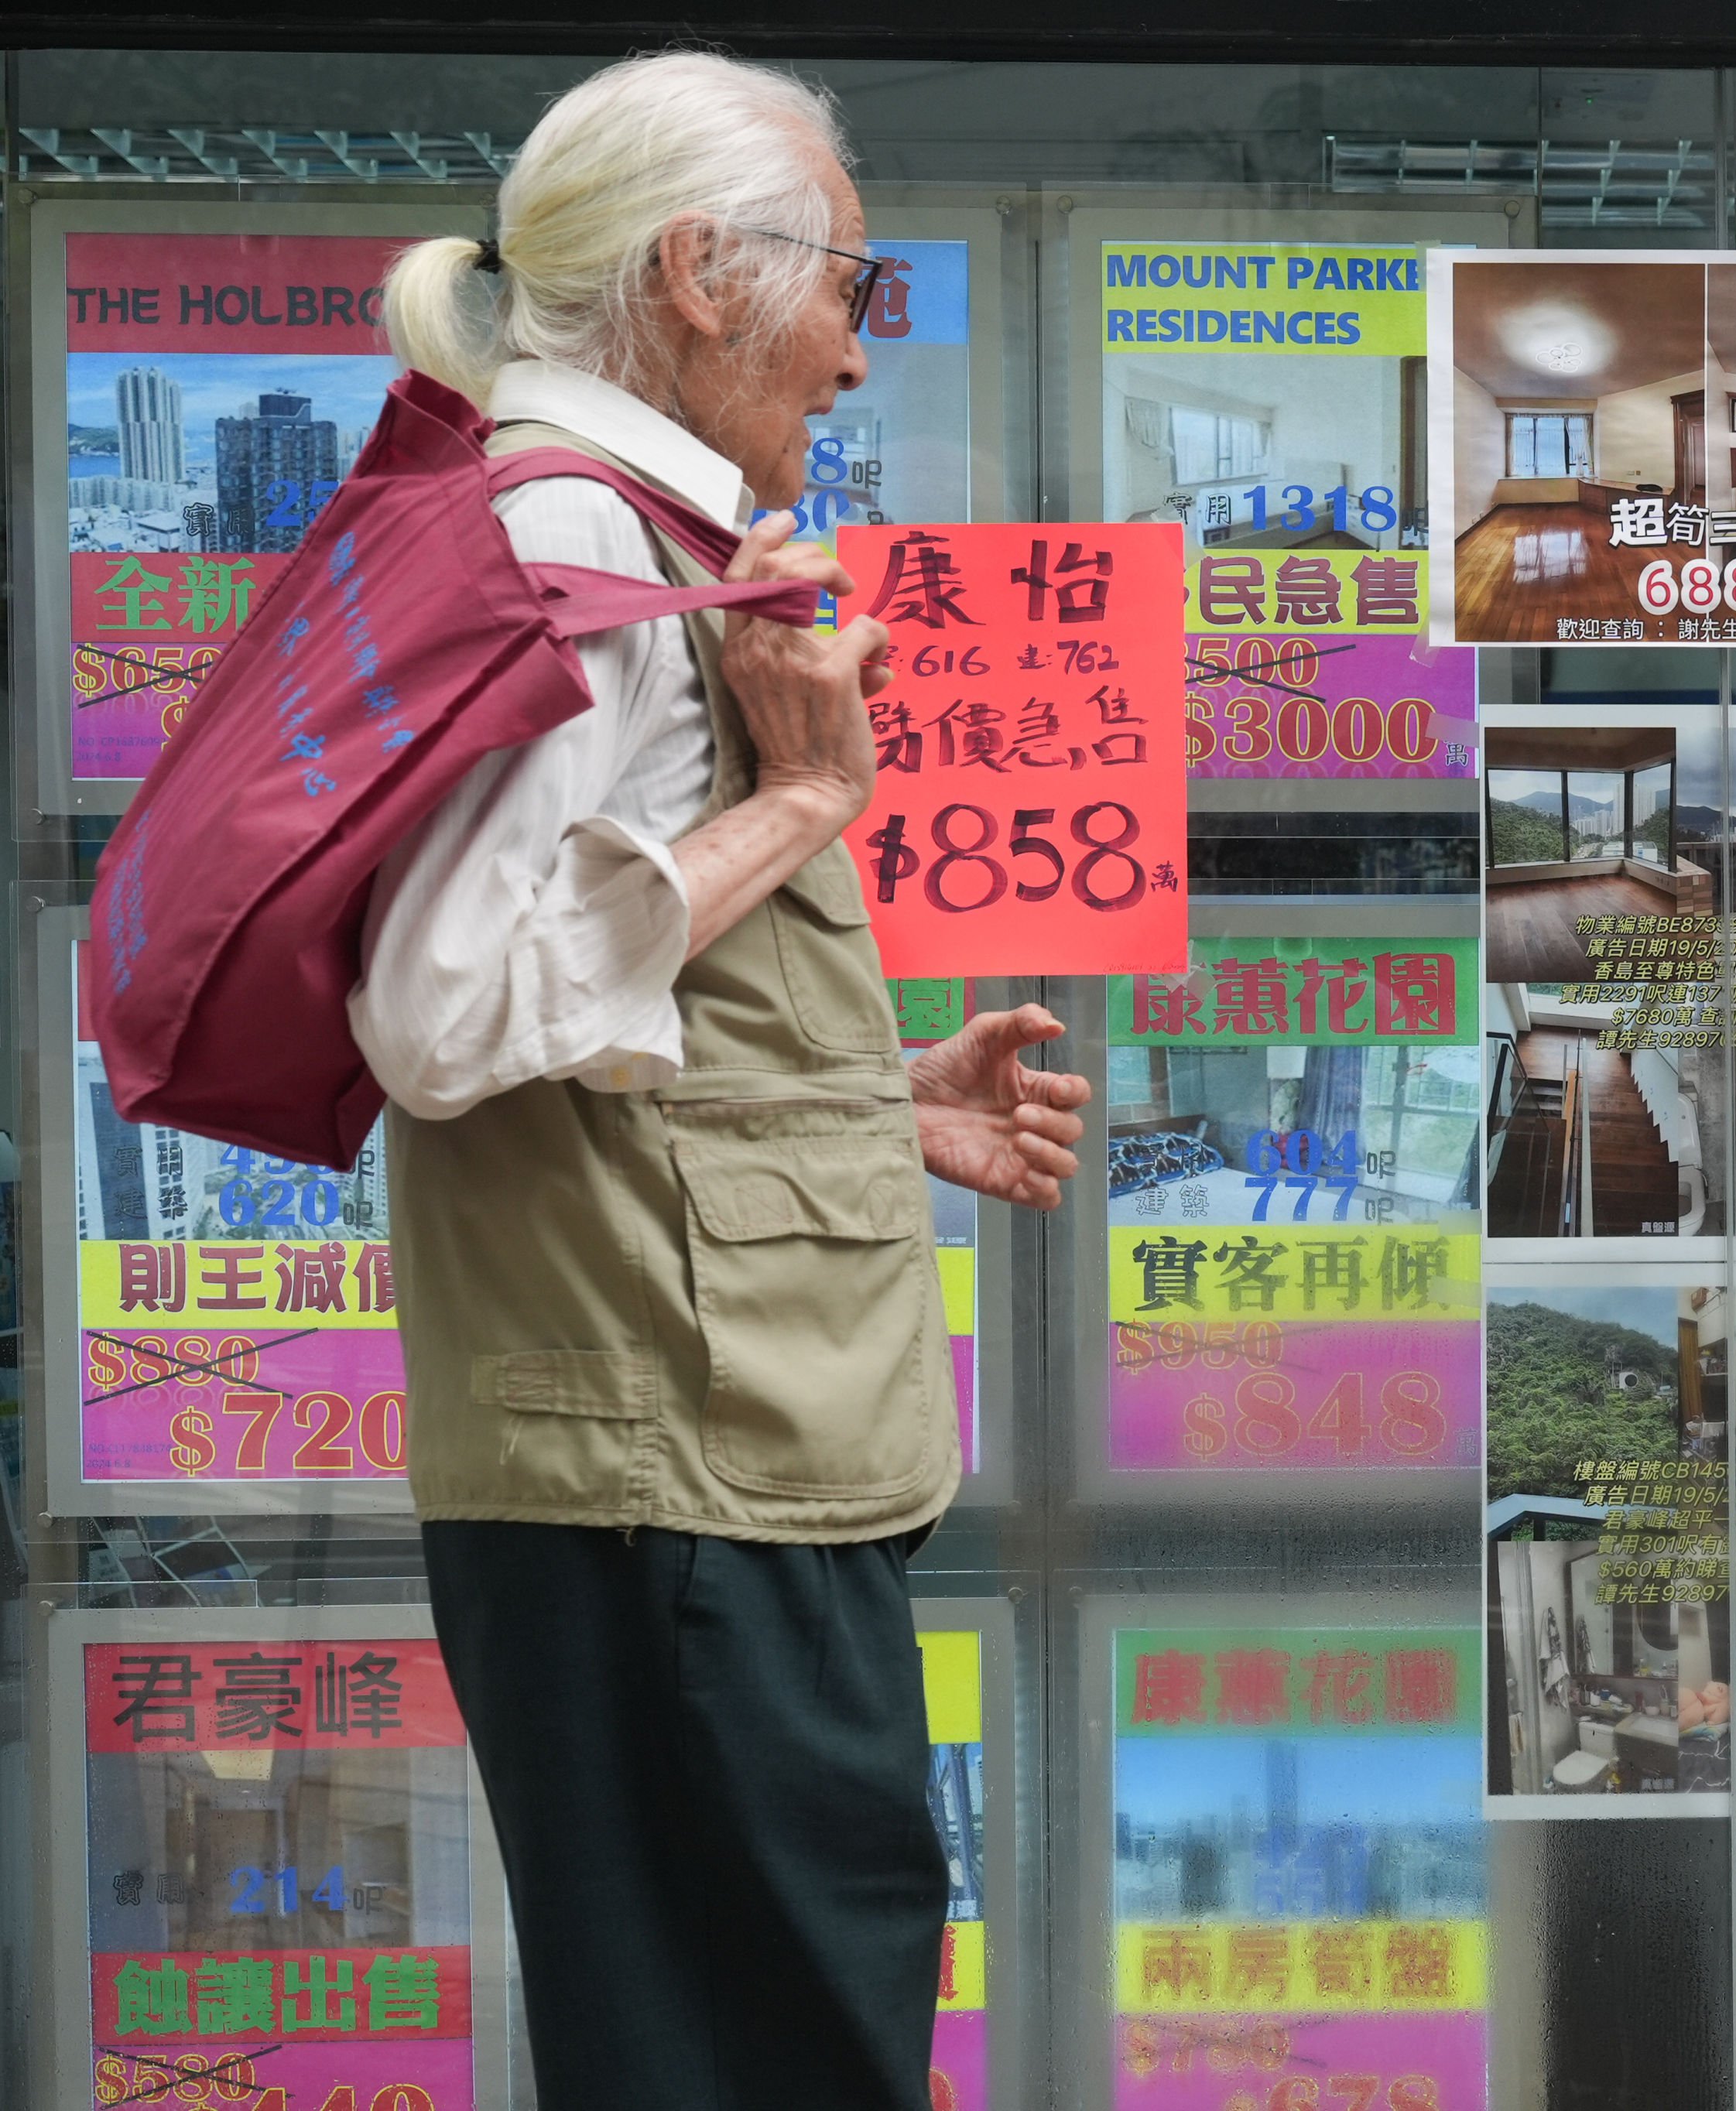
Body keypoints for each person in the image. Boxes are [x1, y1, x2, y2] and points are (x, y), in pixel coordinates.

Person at [358, 51, 1083, 2111]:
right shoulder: (578, 542)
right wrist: (813, 797)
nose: (856, 356)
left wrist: (870, 1103)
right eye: (853, 287)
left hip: (690, 1461)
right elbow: (447, 1006)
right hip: (676, 1484)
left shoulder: (598, 527)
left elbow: (594, 1010)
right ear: (696, 273)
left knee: (745, 2027)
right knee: (769, 2046)